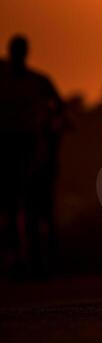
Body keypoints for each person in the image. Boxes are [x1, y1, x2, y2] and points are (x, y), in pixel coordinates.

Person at [0, 35, 65, 278]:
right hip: (5, 144)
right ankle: (16, 257)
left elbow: (59, 108)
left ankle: (31, 258)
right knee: (9, 206)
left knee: (30, 204)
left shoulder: (37, 81)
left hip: (28, 146)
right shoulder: (6, 77)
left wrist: (50, 132)